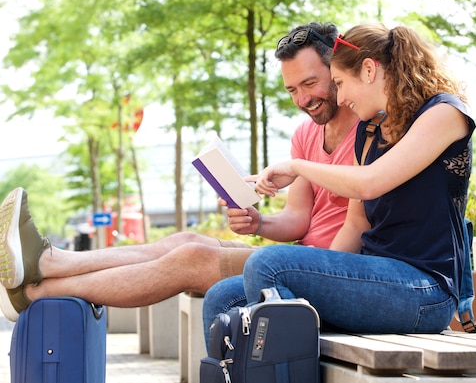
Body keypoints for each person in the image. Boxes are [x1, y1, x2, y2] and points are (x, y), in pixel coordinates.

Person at [0, 22, 359, 322]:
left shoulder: (367, 130)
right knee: (183, 240)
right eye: (292, 90)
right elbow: (298, 219)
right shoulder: (306, 133)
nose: (301, 100)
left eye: (310, 84)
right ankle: (51, 261)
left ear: (337, 70)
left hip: (319, 270)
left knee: (191, 258)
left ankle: (35, 289)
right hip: (299, 258)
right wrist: (259, 223)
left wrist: (320, 279)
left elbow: (355, 233)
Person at [203, 23, 476, 337]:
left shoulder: (444, 114)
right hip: (374, 278)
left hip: (424, 289)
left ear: (370, 70)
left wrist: (297, 167)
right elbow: (356, 225)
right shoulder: (370, 131)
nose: (342, 97)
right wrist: (322, 273)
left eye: (341, 83)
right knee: (222, 298)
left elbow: (369, 182)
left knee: (268, 264)